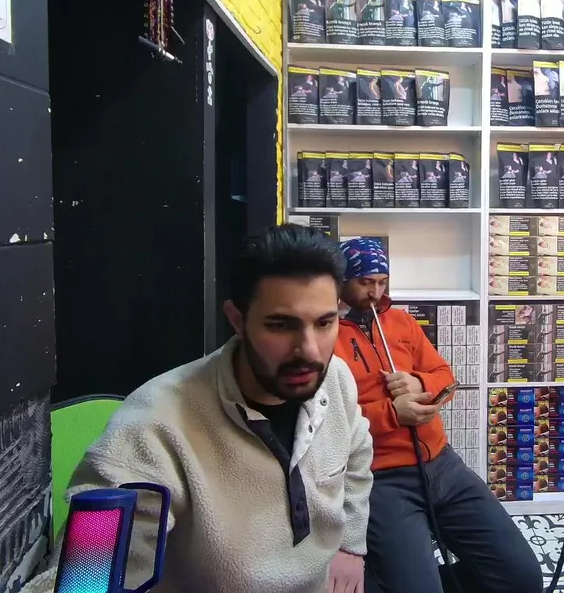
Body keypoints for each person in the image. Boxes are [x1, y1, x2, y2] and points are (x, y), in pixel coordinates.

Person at [59, 224, 374, 592]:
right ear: (237, 320)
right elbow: (87, 577)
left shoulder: (335, 379)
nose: (309, 350)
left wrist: (351, 544)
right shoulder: (154, 423)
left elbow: (357, 455)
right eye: (281, 325)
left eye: (324, 323)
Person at [334, 237, 543, 593]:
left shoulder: (402, 322)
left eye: (382, 282)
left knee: (522, 578)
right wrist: (391, 413)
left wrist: (419, 382)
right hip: (381, 479)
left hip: (443, 466)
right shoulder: (328, 337)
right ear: (342, 281)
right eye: (365, 282)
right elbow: (330, 420)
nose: (375, 292)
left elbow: (445, 377)